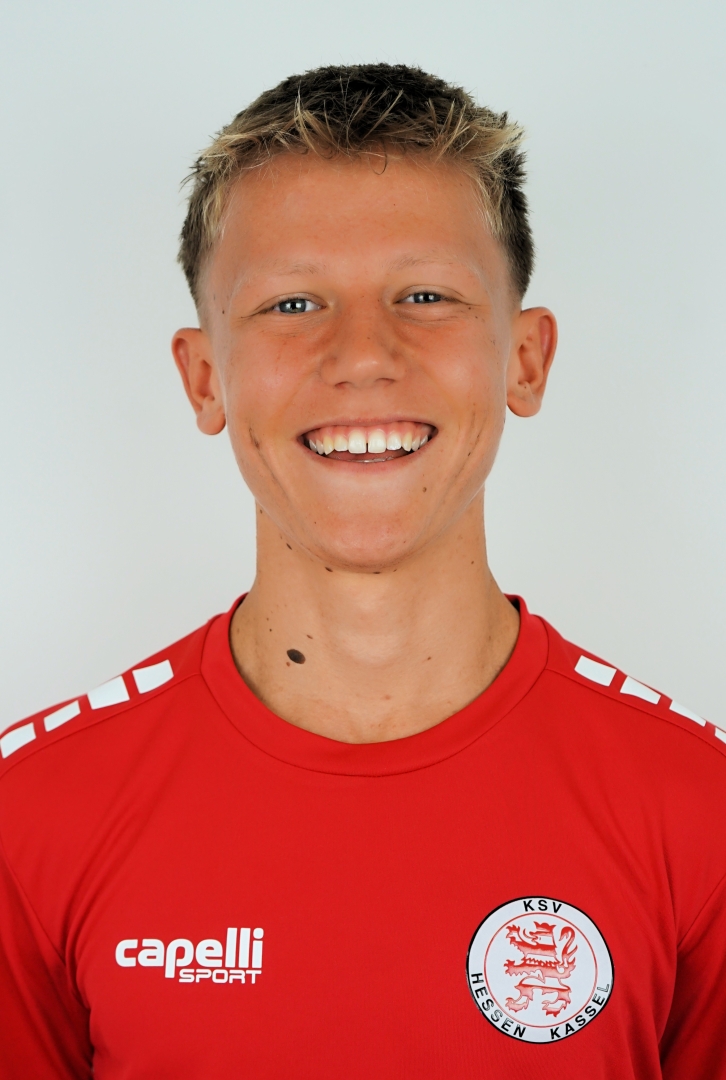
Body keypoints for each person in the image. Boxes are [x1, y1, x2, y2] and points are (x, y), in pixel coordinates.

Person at [0, 63, 723, 1080]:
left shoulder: (702, 813)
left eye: (425, 295)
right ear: (204, 378)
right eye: (293, 303)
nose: (364, 355)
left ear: (524, 359)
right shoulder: (29, 817)